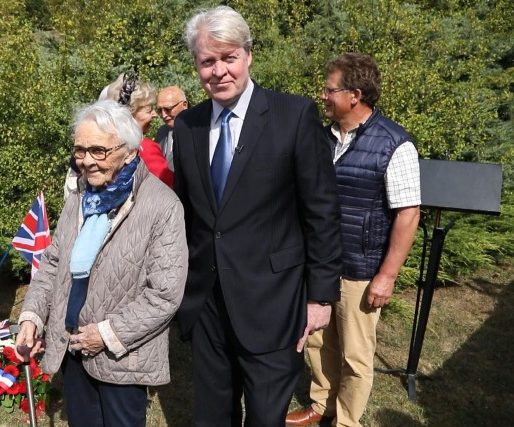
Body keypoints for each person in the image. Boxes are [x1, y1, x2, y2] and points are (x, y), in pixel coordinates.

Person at [172, 7, 342, 426]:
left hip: (274, 301)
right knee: (212, 416)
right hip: (208, 302)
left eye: (228, 57)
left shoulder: (294, 115)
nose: (219, 71)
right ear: (196, 66)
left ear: (248, 56)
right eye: (207, 61)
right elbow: (187, 213)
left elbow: (321, 210)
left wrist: (320, 296)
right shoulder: (187, 125)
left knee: (266, 417)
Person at [16, 99, 188, 427]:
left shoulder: (162, 207)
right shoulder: (81, 196)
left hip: (122, 357)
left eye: (98, 151)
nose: (87, 162)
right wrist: (32, 317)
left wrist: (107, 334)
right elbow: (53, 262)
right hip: (73, 347)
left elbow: (165, 293)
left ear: (130, 151)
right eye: (80, 150)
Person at [285, 53, 421, 427]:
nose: (323, 96)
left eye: (330, 90)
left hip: (360, 267)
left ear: (355, 95)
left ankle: (346, 420)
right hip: (317, 263)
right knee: (317, 341)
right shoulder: (319, 137)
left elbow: (408, 215)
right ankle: (320, 405)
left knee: (356, 353)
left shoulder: (395, 144)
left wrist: (387, 276)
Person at [101, 72, 174, 187]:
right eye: (149, 110)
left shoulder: (104, 145)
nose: (155, 114)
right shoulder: (145, 148)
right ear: (131, 114)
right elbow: (169, 186)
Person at [155, 86, 189, 171]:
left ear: (184, 105)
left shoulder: (196, 132)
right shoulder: (161, 132)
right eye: (160, 110)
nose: (163, 115)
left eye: (168, 109)